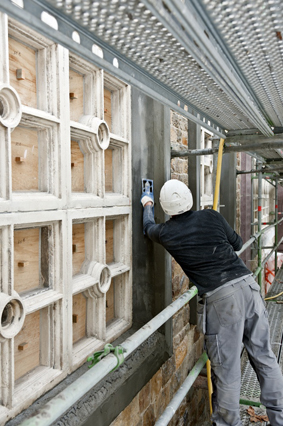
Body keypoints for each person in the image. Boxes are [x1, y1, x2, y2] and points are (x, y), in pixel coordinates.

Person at [141, 179, 283, 426]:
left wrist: (147, 203)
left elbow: (147, 227)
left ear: (167, 208)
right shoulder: (212, 217)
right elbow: (237, 244)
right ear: (189, 198)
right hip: (248, 287)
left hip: (222, 300)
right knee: (265, 356)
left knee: (227, 372)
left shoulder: (166, 233)